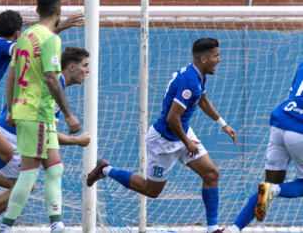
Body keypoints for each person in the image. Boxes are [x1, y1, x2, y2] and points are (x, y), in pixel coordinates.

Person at [87, 37, 237, 233]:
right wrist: (187, 143)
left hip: (182, 134)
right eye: (216, 56)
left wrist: (223, 124)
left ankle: (213, 229)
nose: (220, 59)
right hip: (164, 141)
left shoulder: (198, 75)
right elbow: (172, 119)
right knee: (151, 190)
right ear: (203, 58)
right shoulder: (190, 81)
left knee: (211, 174)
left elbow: (203, 100)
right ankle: (105, 170)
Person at [0, 5, 84, 221]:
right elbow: (30, 47)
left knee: (4, 152)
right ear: (17, 33)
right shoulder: (5, 46)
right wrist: (60, 27)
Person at [0, 46, 90, 229]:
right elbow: (49, 133)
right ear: (71, 67)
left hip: (9, 130)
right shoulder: (54, 84)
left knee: (23, 186)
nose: (88, 70)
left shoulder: (54, 81)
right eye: (85, 65)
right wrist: (76, 141)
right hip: (15, 137)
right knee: (30, 183)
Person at [0, 0, 79, 233]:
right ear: (59, 11)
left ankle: (57, 223)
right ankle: (6, 226)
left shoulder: (25, 36)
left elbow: (12, 74)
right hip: (38, 112)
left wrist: (11, 109)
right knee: (29, 173)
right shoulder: (51, 39)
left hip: (26, 111)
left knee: (55, 167)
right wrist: (68, 113)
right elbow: (51, 78)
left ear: (36, 10)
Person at [225, 62, 303, 233]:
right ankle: (274, 190)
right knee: (273, 188)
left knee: (268, 186)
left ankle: (234, 228)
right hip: (299, 129)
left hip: (281, 120)